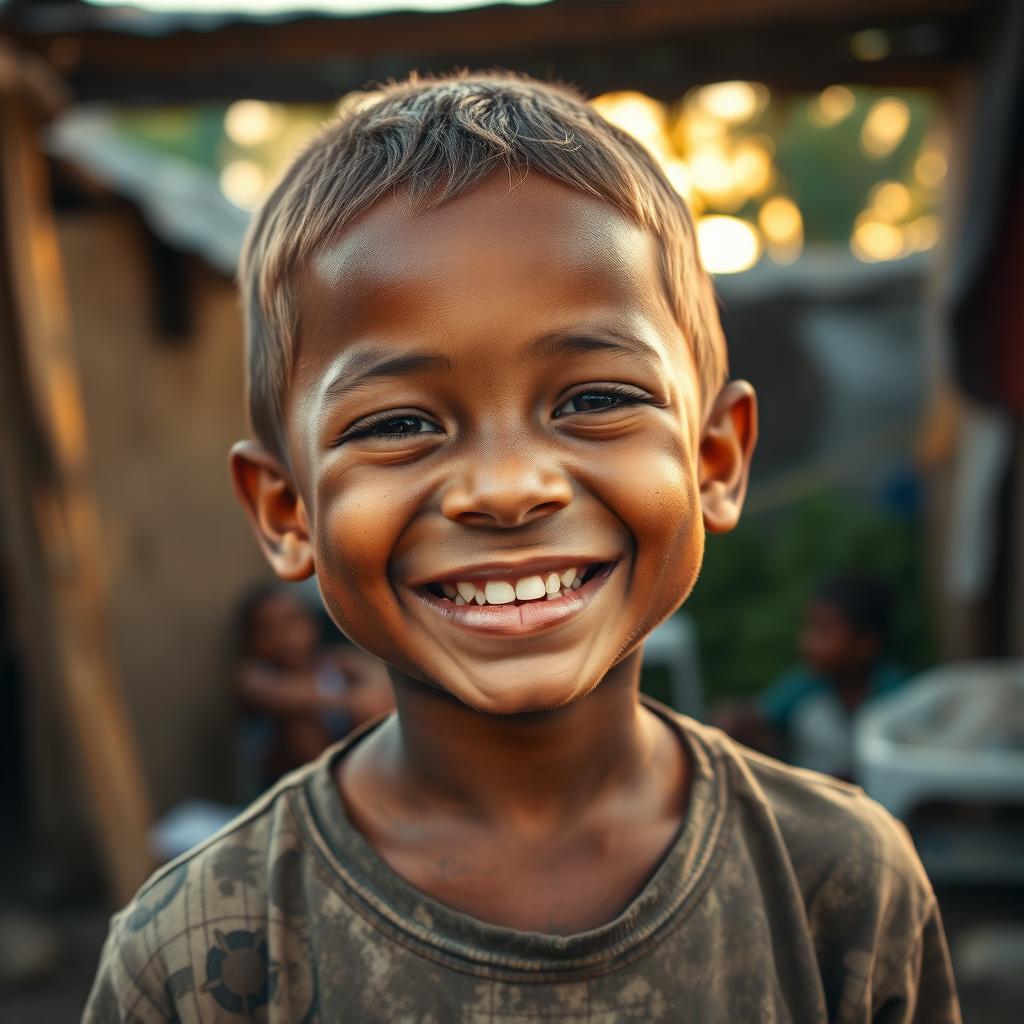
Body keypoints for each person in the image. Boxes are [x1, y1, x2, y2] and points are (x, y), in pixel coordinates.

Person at [84, 72, 960, 1022]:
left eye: (594, 399)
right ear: (288, 510)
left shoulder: (841, 886)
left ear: (715, 459)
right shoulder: (201, 954)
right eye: (396, 423)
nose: (507, 489)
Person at [235, 583, 394, 785]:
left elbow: (382, 679)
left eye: (292, 623)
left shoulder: (335, 662)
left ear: (312, 626)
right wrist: (350, 701)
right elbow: (278, 695)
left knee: (377, 708)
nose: (282, 636)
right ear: (251, 640)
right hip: (288, 783)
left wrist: (368, 701)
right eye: (267, 629)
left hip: (346, 762)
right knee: (299, 719)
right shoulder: (255, 675)